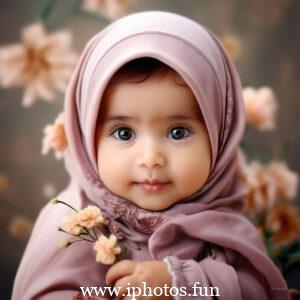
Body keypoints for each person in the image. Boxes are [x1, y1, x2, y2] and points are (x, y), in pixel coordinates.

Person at [12, 11, 289, 300]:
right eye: (123, 133)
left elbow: (263, 293)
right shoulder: (75, 222)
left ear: (219, 135)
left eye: (178, 132)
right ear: (87, 138)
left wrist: (183, 284)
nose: (151, 158)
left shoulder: (227, 230)